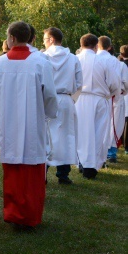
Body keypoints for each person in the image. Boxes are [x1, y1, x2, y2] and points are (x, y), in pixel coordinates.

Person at [0, 21, 57, 228]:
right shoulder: (40, 62)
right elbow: (50, 95)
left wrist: (3, 111)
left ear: (12, 38)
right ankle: (31, 214)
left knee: (13, 170)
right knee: (32, 171)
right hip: (33, 121)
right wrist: (46, 113)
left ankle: (14, 213)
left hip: (9, 123)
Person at [75, 34, 121, 179]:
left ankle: (81, 162)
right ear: (96, 46)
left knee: (81, 131)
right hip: (99, 99)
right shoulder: (102, 61)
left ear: (81, 44)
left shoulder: (75, 59)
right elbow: (114, 82)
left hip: (79, 98)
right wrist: (112, 94)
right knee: (98, 132)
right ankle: (92, 165)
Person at [43, 27, 83, 184]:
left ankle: (43, 172)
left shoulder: (43, 57)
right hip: (65, 99)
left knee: (46, 135)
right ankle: (63, 174)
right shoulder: (73, 58)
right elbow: (79, 82)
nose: (44, 43)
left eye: (45, 39)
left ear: (51, 39)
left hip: (47, 99)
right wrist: (71, 97)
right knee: (66, 136)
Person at [96, 36, 127, 164]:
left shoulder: (93, 59)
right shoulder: (116, 62)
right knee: (114, 124)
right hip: (114, 96)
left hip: (96, 96)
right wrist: (121, 92)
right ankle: (111, 152)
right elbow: (125, 82)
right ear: (109, 47)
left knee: (97, 124)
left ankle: (99, 152)